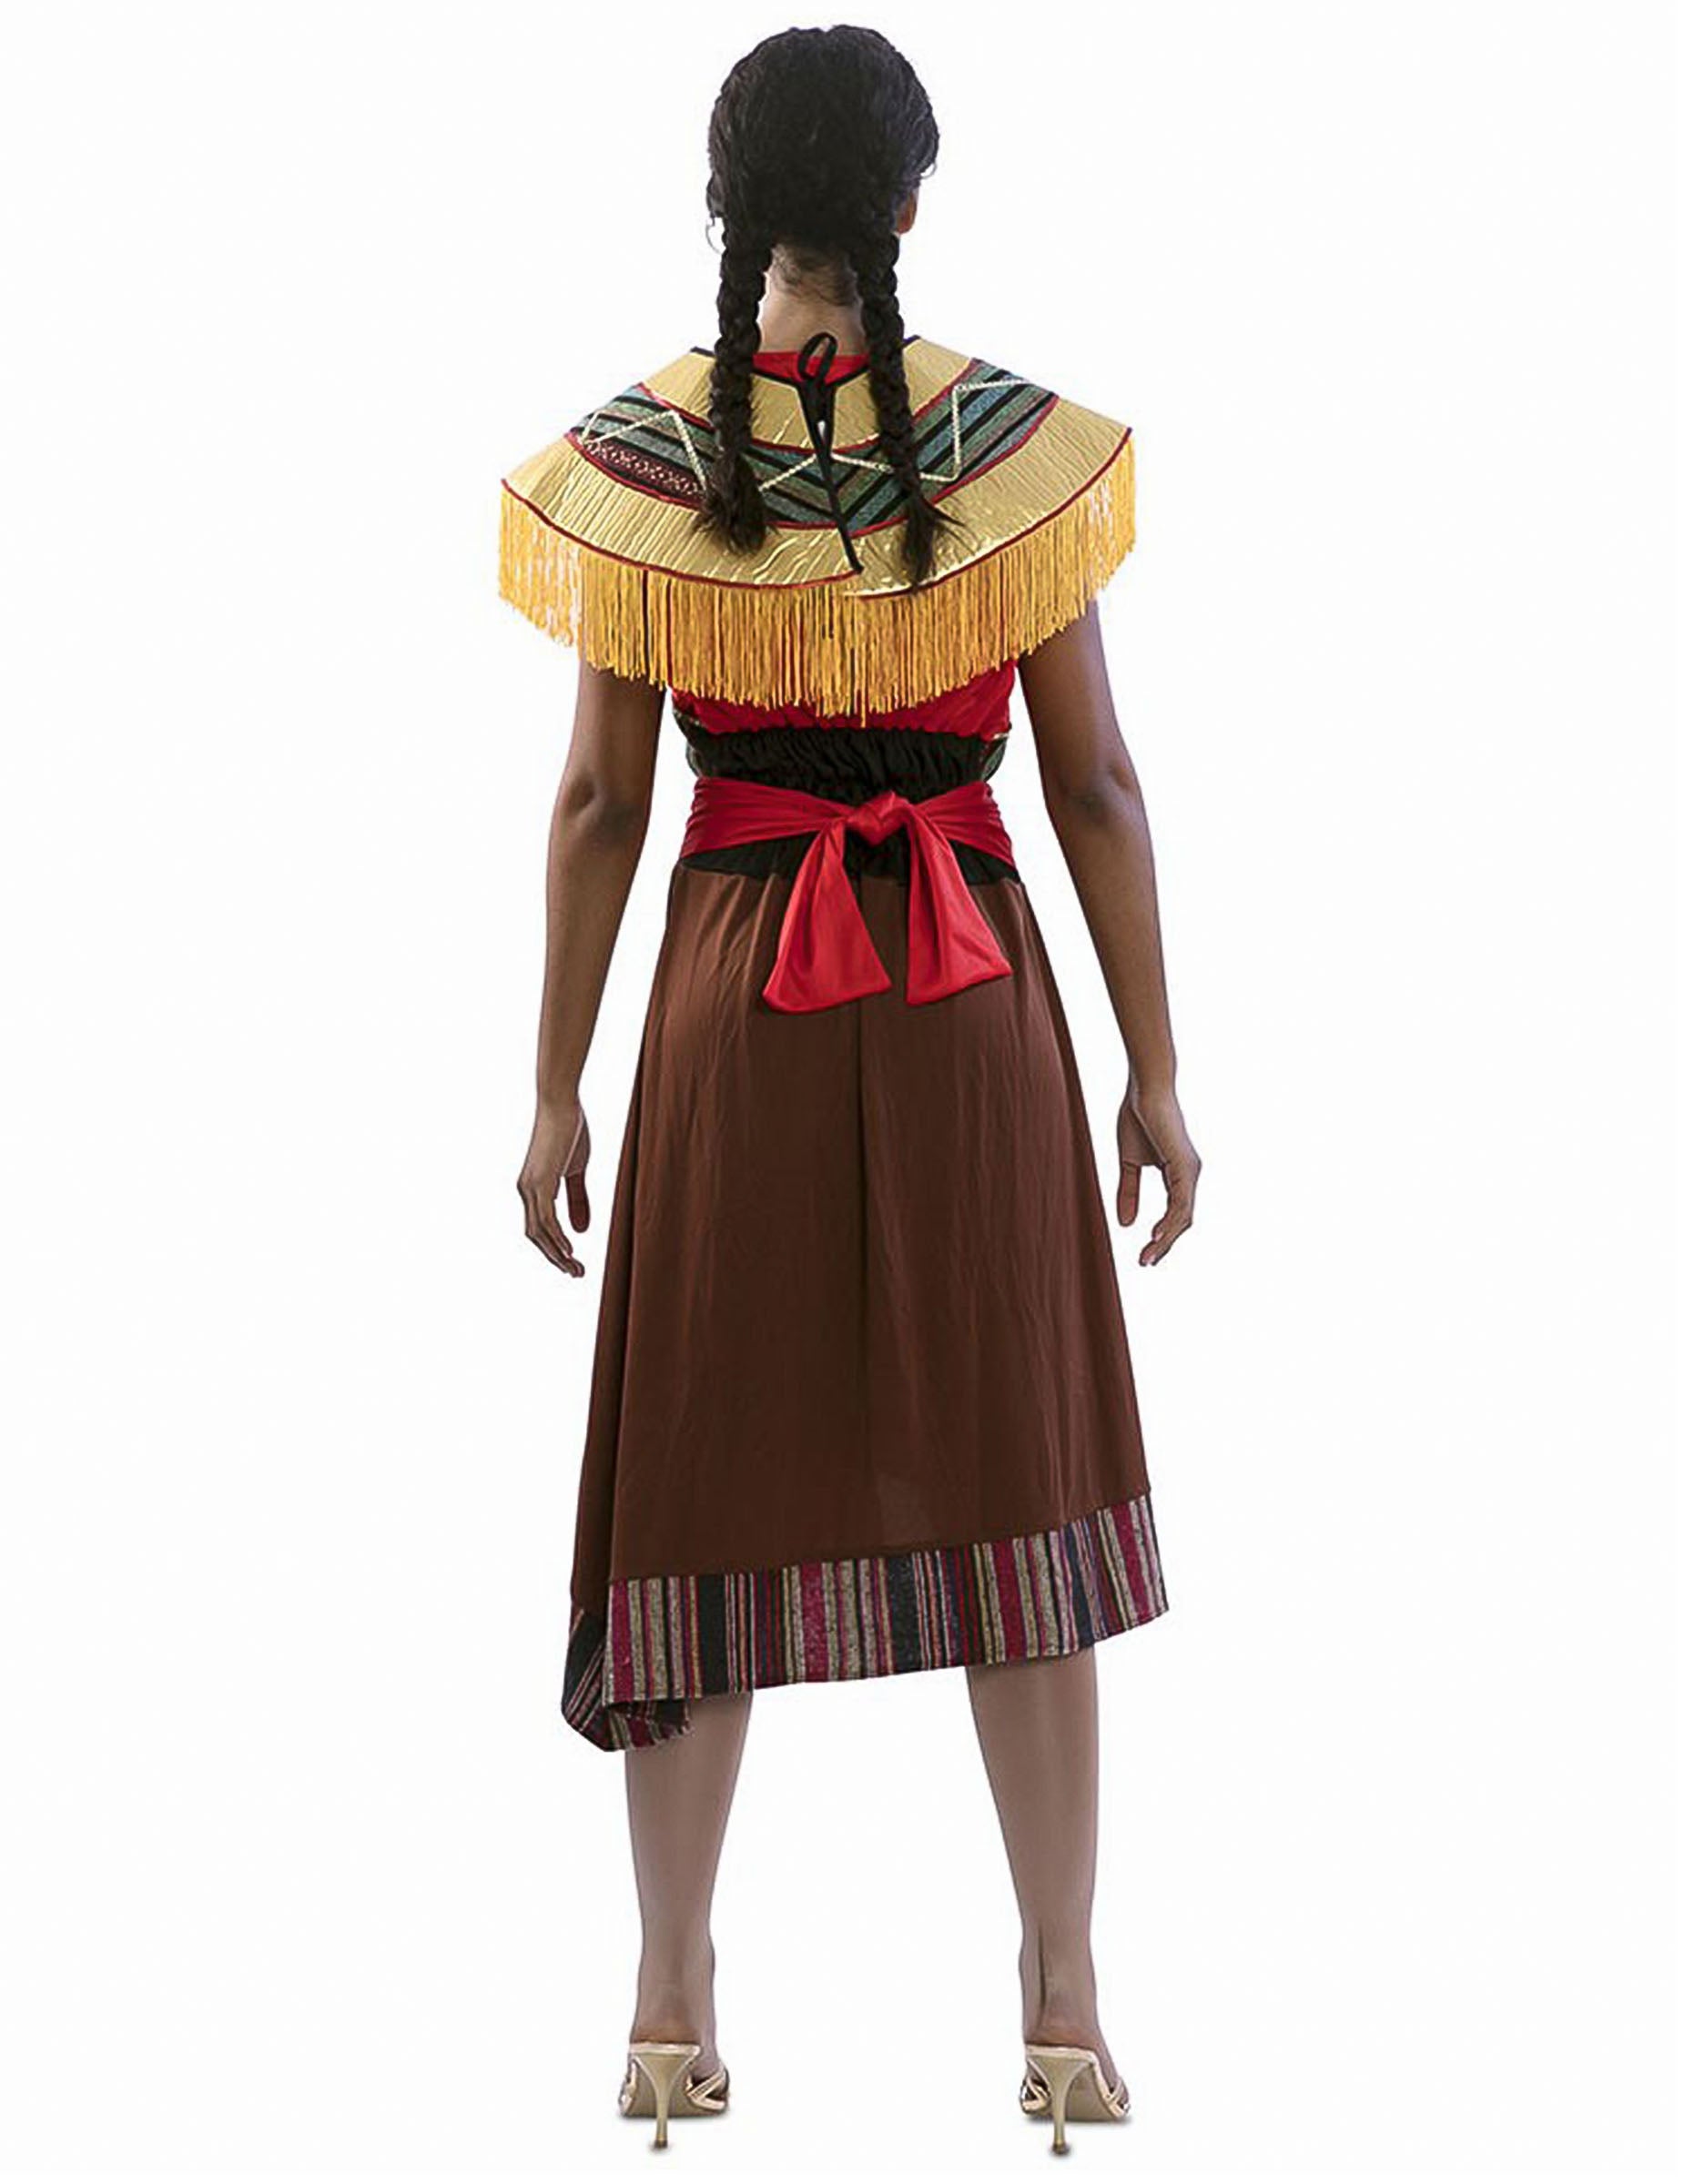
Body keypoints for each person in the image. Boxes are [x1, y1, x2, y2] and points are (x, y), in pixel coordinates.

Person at [499, 24, 1200, 2155]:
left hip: (735, 995)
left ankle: (664, 2002)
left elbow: (601, 808)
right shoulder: (1006, 459)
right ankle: (1061, 2009)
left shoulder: (650, 465)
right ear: (909, 201)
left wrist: (554, 1089)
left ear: (729, 209)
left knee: (701, 1473)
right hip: (969, 979)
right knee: (1022, 1467)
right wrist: (1157, 1069)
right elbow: (1092, 784)